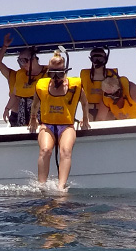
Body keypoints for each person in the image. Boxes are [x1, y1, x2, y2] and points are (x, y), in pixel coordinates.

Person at [28, 51, 91, 190]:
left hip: (67, 125)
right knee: (45, 150)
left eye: (59, 74)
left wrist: (85, 118)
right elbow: (35, 104)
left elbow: (85, 103)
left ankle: (61, 187)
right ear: (48, 73)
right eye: (52, 74)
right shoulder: (41, 86)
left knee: (66, 151)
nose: (56, 78)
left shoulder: (75, 85)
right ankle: (41, 186)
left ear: (65, 72)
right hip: (47, 125)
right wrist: (33, 119)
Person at [0, 33, 48, 126]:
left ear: (33, 59)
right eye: (19, 61)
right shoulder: (19, 75)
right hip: (21, 115)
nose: (22, 64)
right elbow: (15, 95)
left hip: (41, 115)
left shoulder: (48, 72)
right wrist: (7, 109)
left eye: (24, 61)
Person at [80, 47, 119, 121]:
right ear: (91, 59)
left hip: (107, 110)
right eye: (94, 58)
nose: (97, 61)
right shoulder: (85, 74)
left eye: (100, 58)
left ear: (105, 59)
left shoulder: (112, 73)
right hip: (89, 110)